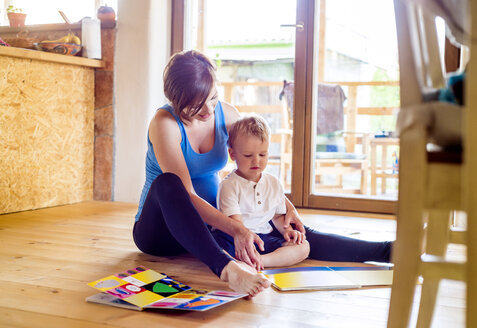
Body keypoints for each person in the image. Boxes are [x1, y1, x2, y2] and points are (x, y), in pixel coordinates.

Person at [133, 49, 391, 297]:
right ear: (176, 100)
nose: (209, 110)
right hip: (161, 231)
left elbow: (251, 162)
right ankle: (228, 269)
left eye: (213, 98)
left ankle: (388, 252)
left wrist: (285, 207)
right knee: (168, 183)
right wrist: (236, 229)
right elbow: (187, 195)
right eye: (197, 105)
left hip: (213, 225)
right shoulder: (164, 124)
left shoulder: (227, 114)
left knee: (291, 230)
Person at [214, 115, 309, 270]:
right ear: (233, 154)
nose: (256, 161)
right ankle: (242, 261)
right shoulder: (229, 185)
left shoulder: (273, 183)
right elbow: (236, 224)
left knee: (303, 247)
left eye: (262, 155)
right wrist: (245, 243)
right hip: (235, 237)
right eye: (248, 155)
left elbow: (277, 216)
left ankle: (261, 261)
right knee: (219, 250)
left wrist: (288, 232)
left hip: (263, 238)